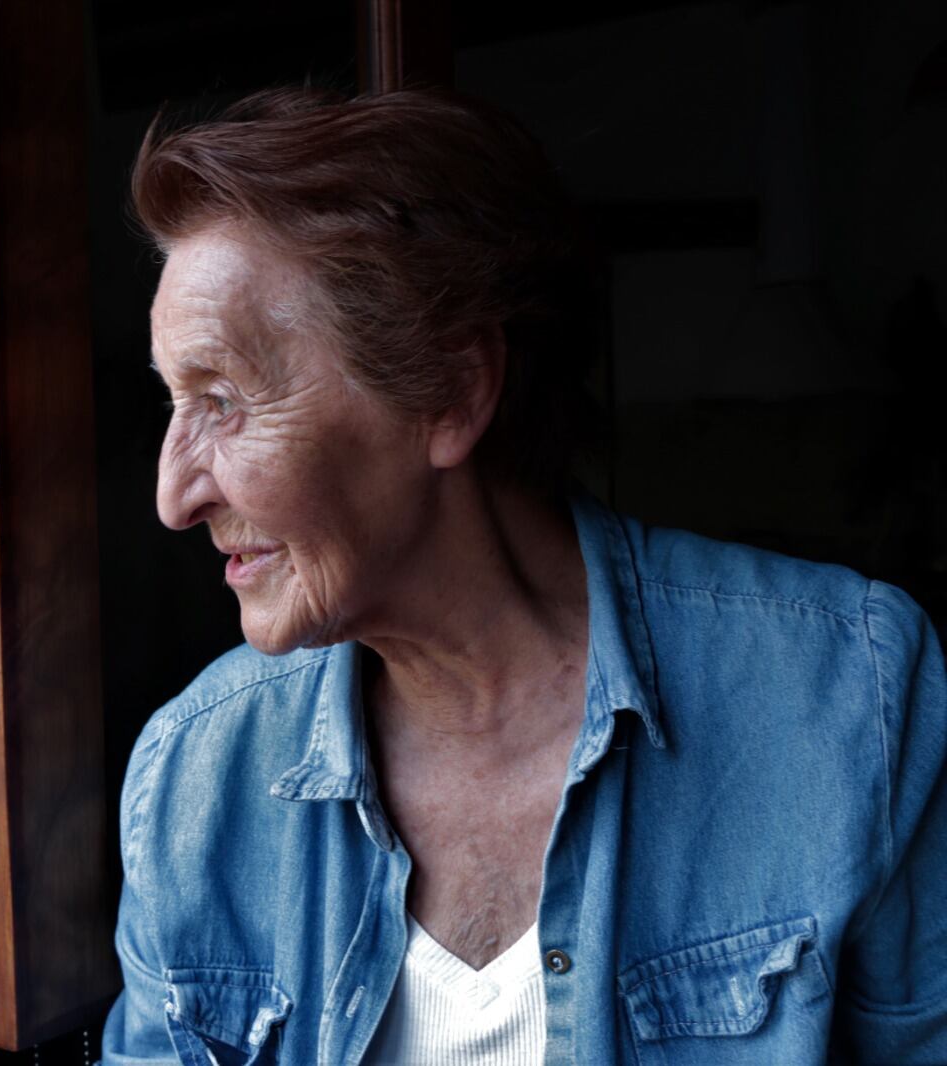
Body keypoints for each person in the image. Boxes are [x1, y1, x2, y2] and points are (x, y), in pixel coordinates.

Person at [99, 87, 946, 1065]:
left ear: (454, 390)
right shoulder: (194, 779)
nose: (173, 495)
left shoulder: (852, 697)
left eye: (222, 399)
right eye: (173, 403)